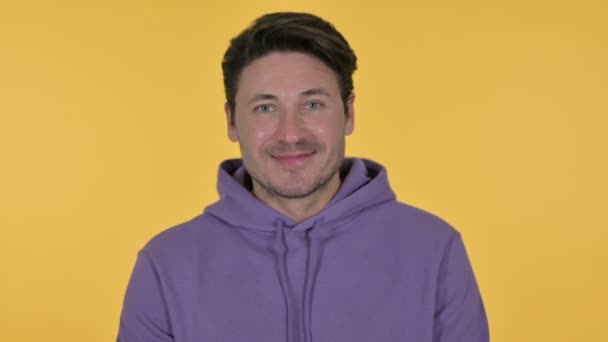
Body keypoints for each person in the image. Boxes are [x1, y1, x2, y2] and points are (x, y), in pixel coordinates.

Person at [117, 12, 489, 342]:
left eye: (312, 105)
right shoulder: (166, 264)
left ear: (348, 113)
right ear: (231, 121)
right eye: (265, 107)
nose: (290, 133)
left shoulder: (435, 250)